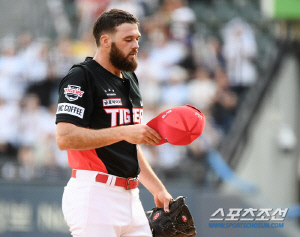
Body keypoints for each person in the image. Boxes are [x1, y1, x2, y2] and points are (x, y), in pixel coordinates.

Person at [55, 9, 173, 237]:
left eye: (137, 38)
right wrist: (124, 132)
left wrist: (158, 189)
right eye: (128, 39)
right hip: (95, 195)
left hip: (131, 196)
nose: (135, 45)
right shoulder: (82, 76)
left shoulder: (130, 79)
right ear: (105, 41)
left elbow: (128, 143)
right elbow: (65, 138)